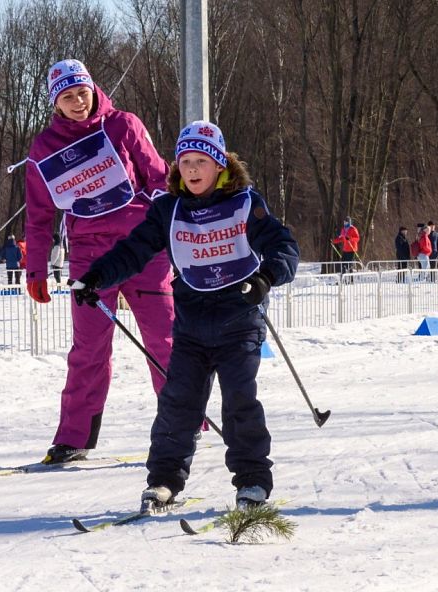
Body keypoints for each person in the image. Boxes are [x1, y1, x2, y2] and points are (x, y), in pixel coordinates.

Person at [74, 121, 299, 510]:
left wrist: (265, 278)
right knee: (177, 405)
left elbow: (284, 247)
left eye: (201, 161)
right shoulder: (169, 210)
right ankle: (164, 481)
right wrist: (96, 276)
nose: (193, 170)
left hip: (239, 321)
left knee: (239, 403)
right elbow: (133, 251)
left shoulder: (245, 203)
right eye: (185, 162)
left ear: (220, 165)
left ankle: (252, 482)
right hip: (192, 327)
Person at [24, 58, 175, 464]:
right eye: (67, 97)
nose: (77, 102)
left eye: (82, 93)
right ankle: (74, 438)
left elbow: (160, 178)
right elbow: (39, 215)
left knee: (164, 341)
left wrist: (171, 228)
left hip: (143, 249)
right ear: (56, 103)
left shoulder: (124, 125)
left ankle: (183, 422)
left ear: (93, 90)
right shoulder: (44, 148)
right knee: (88, 349)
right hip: (90, 257)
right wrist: (35, 268)